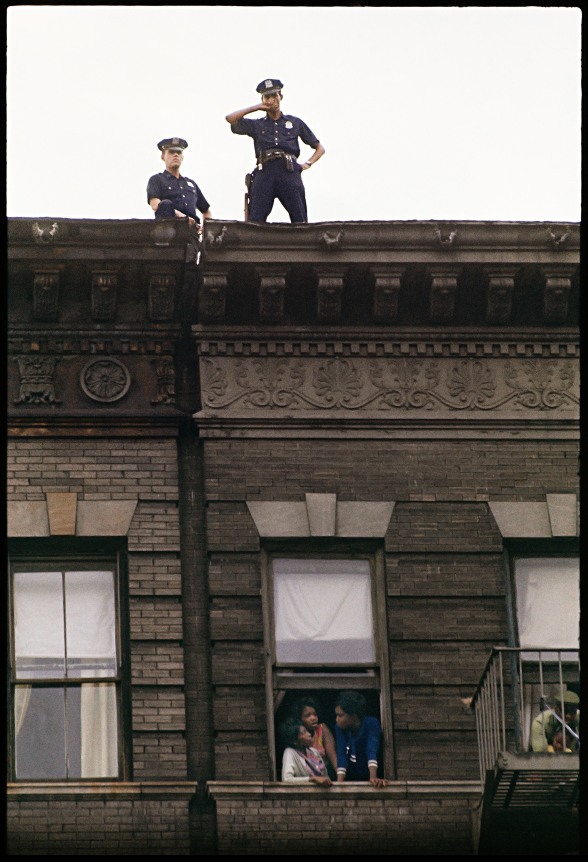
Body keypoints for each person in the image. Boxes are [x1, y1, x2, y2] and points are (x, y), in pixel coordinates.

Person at [225, 78, 325, 224]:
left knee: (300, 219)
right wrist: (257, 107)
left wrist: (307, 164)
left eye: (274, 96)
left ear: (281, 97)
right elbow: (230, 119)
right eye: (267, 97)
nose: (271, 100)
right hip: (265, 171)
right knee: (255, 221)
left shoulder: (294, 122)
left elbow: (320, 148)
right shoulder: (257, 124)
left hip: (289, 171)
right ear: (263, 99)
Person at [147, 137, 212, 229]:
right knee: (165, 204)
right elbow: (155, 204)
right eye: (171, 152)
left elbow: (206, 210)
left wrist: (206, 229)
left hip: (192, 232)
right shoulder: (157, 179)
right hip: (170, 230)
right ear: (163, 157)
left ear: (182, 157)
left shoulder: (191, 184)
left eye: (179, 152)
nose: (176, 155)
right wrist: (181, 217)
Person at [334, 690, 388, 788]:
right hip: (351, 776)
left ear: (354, 716)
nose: (337, 719)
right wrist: (339, 784)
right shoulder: (340, 728)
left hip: (372, 773)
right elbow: (342, 753)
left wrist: (373, 778)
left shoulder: (371, 723)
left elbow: (371, 748)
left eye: (340, 715)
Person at [293, 695, 337, 776]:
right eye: (308, 715)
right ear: (300, 719)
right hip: (304, 779)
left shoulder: (322, 729)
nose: (313, 718)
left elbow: (333, 758)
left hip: (324, 777)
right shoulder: (296, 735)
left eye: (315, 714)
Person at [280, 717, 332, 785]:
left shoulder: (314, 752)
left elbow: (326, 777)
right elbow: (287, 779)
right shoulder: (290, 752)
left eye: (307, 731)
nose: (309, 734)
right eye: (303, 732)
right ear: (295, 741)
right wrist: (312, 779)